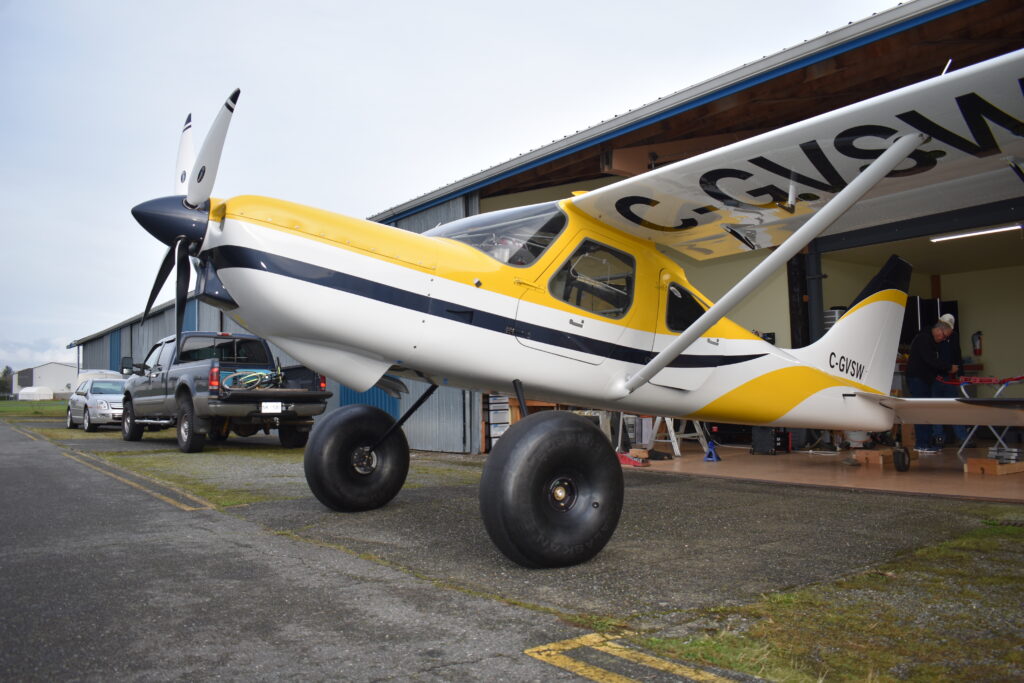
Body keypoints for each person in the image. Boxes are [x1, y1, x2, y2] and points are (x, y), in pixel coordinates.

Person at [906, 313, 959, 454]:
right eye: (944, 335)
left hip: (925, 380)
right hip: (917, 379)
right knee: (921, 411)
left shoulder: (932, 340)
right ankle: (922, 443)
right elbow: (930, 360)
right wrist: (948, 367)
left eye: (946, 337)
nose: (943, 339)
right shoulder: (924, 338)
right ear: (938, 329)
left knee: (926, 411)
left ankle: (927, 442)